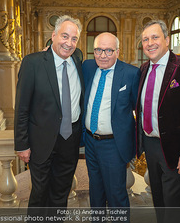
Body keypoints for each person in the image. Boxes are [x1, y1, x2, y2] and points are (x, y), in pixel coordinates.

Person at [135, 20, 180, 223]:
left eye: (155, 37)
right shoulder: (143, 70)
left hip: (177, 150)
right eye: (145, 39)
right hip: (150, 146)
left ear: (167, 40)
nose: (150, 43)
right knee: (158, 199)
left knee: (173, 203)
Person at [14, 15, 84, 220]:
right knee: (39, 193)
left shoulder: (78, 59)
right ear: (53, 36)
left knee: (61, 193)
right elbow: (21, 107)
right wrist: (21, 144)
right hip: (40, 141)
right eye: (64, 36)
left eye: (74, 39)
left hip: (69, 140)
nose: (68, 43)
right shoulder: (33, 63)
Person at [83, 32, 140, 213]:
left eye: (108, 50)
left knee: (116, 195)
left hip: (113, 145)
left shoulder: (131, 74)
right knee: (95, 192)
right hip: (90, 142)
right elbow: (70, 54)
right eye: (98, 50)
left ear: (117, 51)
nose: (103, 55)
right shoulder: (88, 66)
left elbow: (138, 108)